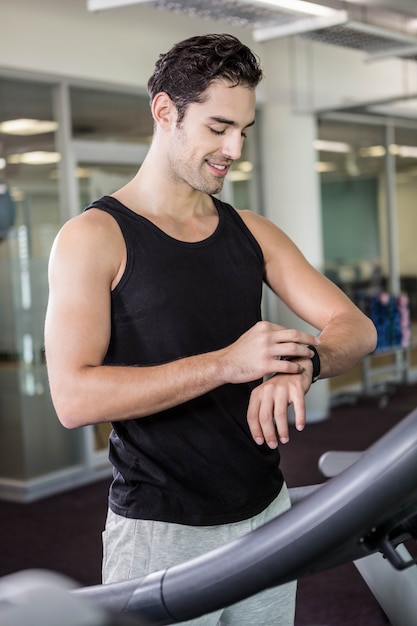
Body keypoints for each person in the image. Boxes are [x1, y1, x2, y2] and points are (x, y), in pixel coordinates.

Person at [44, 33, 377, 625]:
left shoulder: (252, 231)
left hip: (265, 517)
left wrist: (307, 364)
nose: (234, 148)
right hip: (160, 532)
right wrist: (229, 363)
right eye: (219, 127)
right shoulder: (94, 238)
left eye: (243, 130)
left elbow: (355, 326)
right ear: (166, 113)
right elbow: (74, 398)